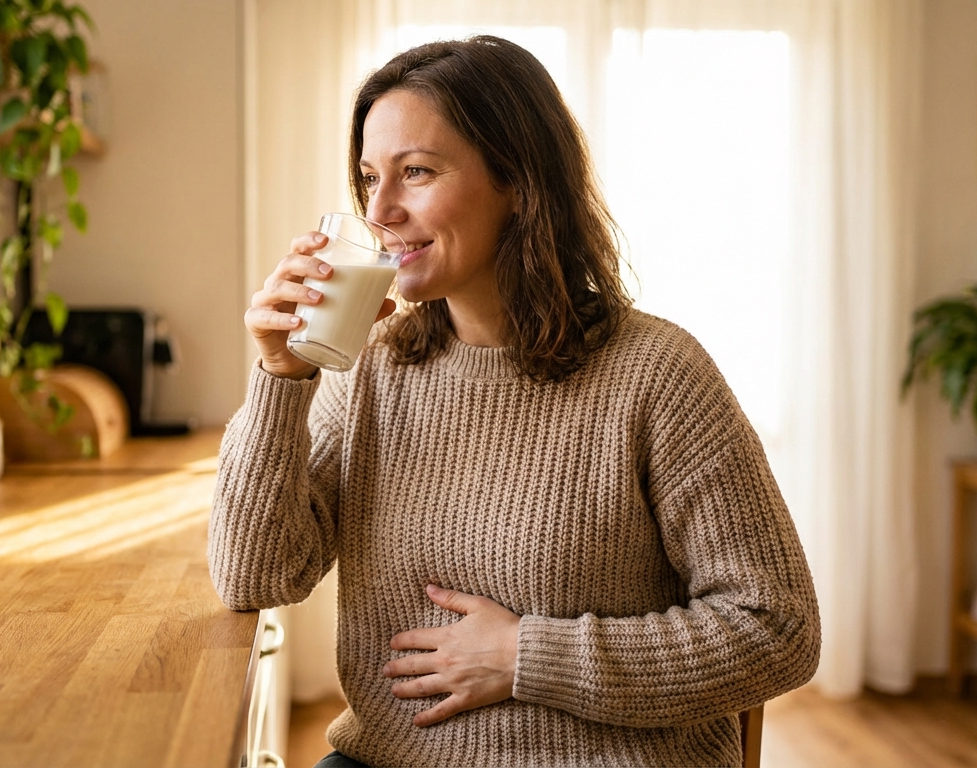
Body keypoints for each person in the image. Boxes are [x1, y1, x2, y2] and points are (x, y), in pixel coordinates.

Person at [210, 35, 820, 768]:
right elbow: (253, 577)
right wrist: (280, 376)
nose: (381, 209)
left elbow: (777, 629)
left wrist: (523, 655)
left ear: (519, 183)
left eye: (416, 172)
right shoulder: (372, 370)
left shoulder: (657, 374)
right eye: (370, 178)